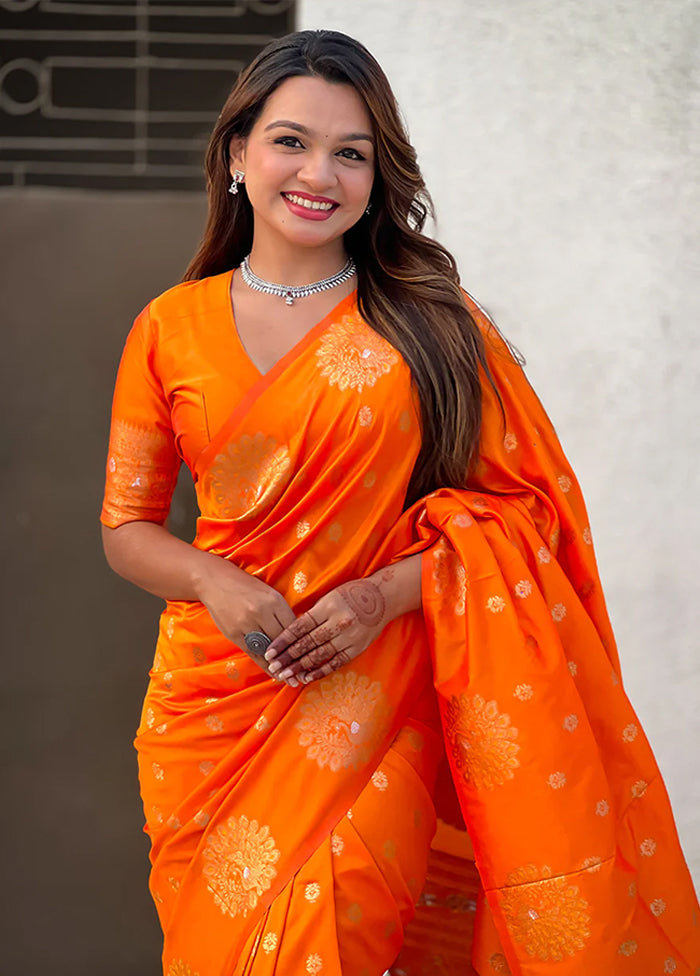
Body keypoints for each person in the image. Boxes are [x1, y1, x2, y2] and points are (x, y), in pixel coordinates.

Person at [100, 29, 699, 976]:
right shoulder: (169, 327)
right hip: (210, 712)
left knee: (335, 937)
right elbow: (126, 529)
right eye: (291, 141)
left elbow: (530, 516)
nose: (319, 173)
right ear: (238, 154)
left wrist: (382, 596)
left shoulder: (428, 324)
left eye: (352, 153)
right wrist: (215, 582)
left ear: (379, 178)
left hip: (374, 700)